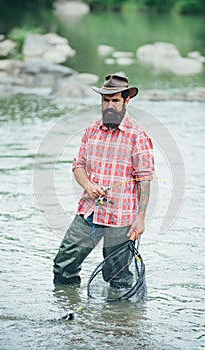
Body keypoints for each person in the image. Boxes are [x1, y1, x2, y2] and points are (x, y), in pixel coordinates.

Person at [53, 74, 155, 287]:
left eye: (115, 100)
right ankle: (67, 311)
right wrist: (88, 186)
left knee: (116, 277)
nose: (109, 105)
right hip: (90, 211)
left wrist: (141, 219)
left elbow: (144, 180)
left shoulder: (138, 135)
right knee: (63, 266)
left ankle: (119, 318)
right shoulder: (91, 129)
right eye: (105, 100)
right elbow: (78, 165)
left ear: (127, 101)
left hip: (122, 218)